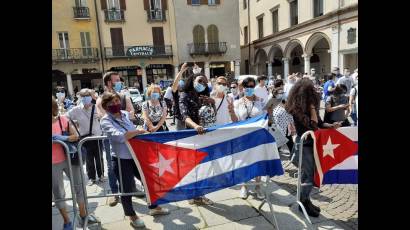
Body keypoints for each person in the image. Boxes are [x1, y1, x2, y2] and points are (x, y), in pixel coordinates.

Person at [100, 92, 170, 228]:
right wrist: (137, 132)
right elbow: (119, 137)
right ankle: (131, 215)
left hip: (136, 156)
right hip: (121, 158)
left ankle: (154, 207)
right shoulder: (105, 120)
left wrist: (140, 130)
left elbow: (132, 129)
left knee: (148, 180)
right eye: (111, 103)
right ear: (105, 106)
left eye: (116, 101)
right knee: (126, 189)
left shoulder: (125, 114)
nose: (115, 104)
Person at [285, 78, 341, 217]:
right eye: (310, 93)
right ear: (303, 95)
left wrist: (331, 126)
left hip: (313, 144)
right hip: (304, 144)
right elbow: (313, 124)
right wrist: (311, 108)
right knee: (307, 175)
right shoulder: (296, 109)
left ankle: (306, 200)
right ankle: (303, 203)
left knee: (311, 174)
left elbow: (320, 123)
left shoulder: (310, 105)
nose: (314, 96)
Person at [52, 97, 100, 229]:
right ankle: (67, 221)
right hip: (53, 163)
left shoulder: (63, 120)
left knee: (79, 187)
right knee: (58, 192)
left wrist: (61, 138)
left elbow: (75, 136)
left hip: (70, 158)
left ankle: (84, 215)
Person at [95, 71, 135, 207]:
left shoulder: (124, 95)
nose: (119, 82)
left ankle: (132, 189)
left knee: (131, 162)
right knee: (113, 166)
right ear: (108, 83)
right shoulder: (101, 100)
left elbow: (131, 112)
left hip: (129, 135)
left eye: (119, 80)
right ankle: (115, 193)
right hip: (112, 137)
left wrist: (123, 116)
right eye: (116, 80)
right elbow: (103, 116)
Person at [179, 72, 215, 205]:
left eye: (205, 82)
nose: (202, 84)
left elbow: (211, 116)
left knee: (203, 167)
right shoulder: (184, 95)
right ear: (192, 80)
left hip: (204, 135)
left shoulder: (203, 96)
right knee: (192, 167)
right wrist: (195, 126)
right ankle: (193, 194)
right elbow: (185, 116)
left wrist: (212, 103)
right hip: (191, 135)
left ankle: (199, 194)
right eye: (200, 81)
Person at [228, 77, 266, 200]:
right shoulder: (237, 102)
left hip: (257, 136)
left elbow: (265, 119)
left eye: (251, 86)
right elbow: (235, 121)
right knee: (244, 161)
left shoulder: (260, 101)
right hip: (243, 136)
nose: (249, 89)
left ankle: (258, 186)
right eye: (246, 87)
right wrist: (231, 112)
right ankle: (244, 186)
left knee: (257, 161)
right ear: (242, 88)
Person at [66, 89, 104, 186]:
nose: (85, 98)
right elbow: (65, 118)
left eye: (87, 95)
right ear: (80, 97)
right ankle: (91, 177)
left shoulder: (96, 107)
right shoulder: (76, 109)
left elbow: (104, 116)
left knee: (99, 157)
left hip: (97, 136)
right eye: (83, 96)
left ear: (91, 96)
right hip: (84, 138)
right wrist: (73, 126)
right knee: (88, 158)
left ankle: (101, 175)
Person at [171, 63, 189, 130]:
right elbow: (175, 83)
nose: (178, 85)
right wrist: (181, 71)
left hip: (189, 119)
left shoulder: (187, 93)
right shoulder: (176, 94)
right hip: (180, 119)